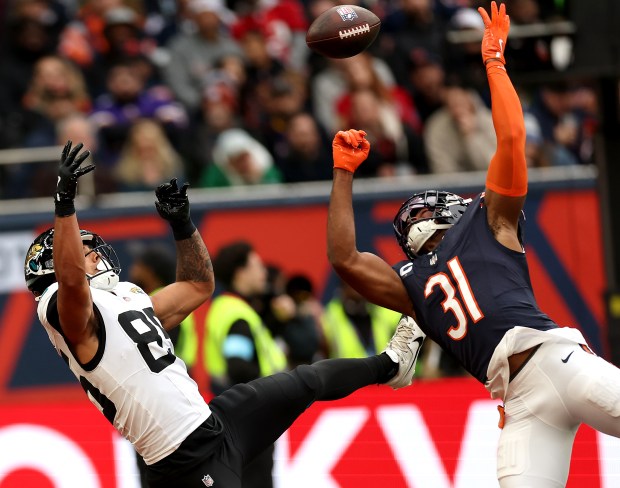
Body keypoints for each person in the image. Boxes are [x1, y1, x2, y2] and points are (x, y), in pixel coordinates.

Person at [325, 3, 620, 487]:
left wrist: (495, 64)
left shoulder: (485, 225)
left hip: (558, 361)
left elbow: (511, 138)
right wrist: (342, 173)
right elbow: (345, 260)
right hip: (520, 401)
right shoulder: (416, 280)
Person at [24, 140, 424, 488]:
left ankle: (391, 364)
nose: (94, 254)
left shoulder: (124, 298)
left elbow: (199, 285)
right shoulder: (61, 308)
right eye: (83, 249)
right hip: (182, 460)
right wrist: (65, 206)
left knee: (305, 380)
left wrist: (182, 225)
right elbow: (73, 282)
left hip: (215, 420)